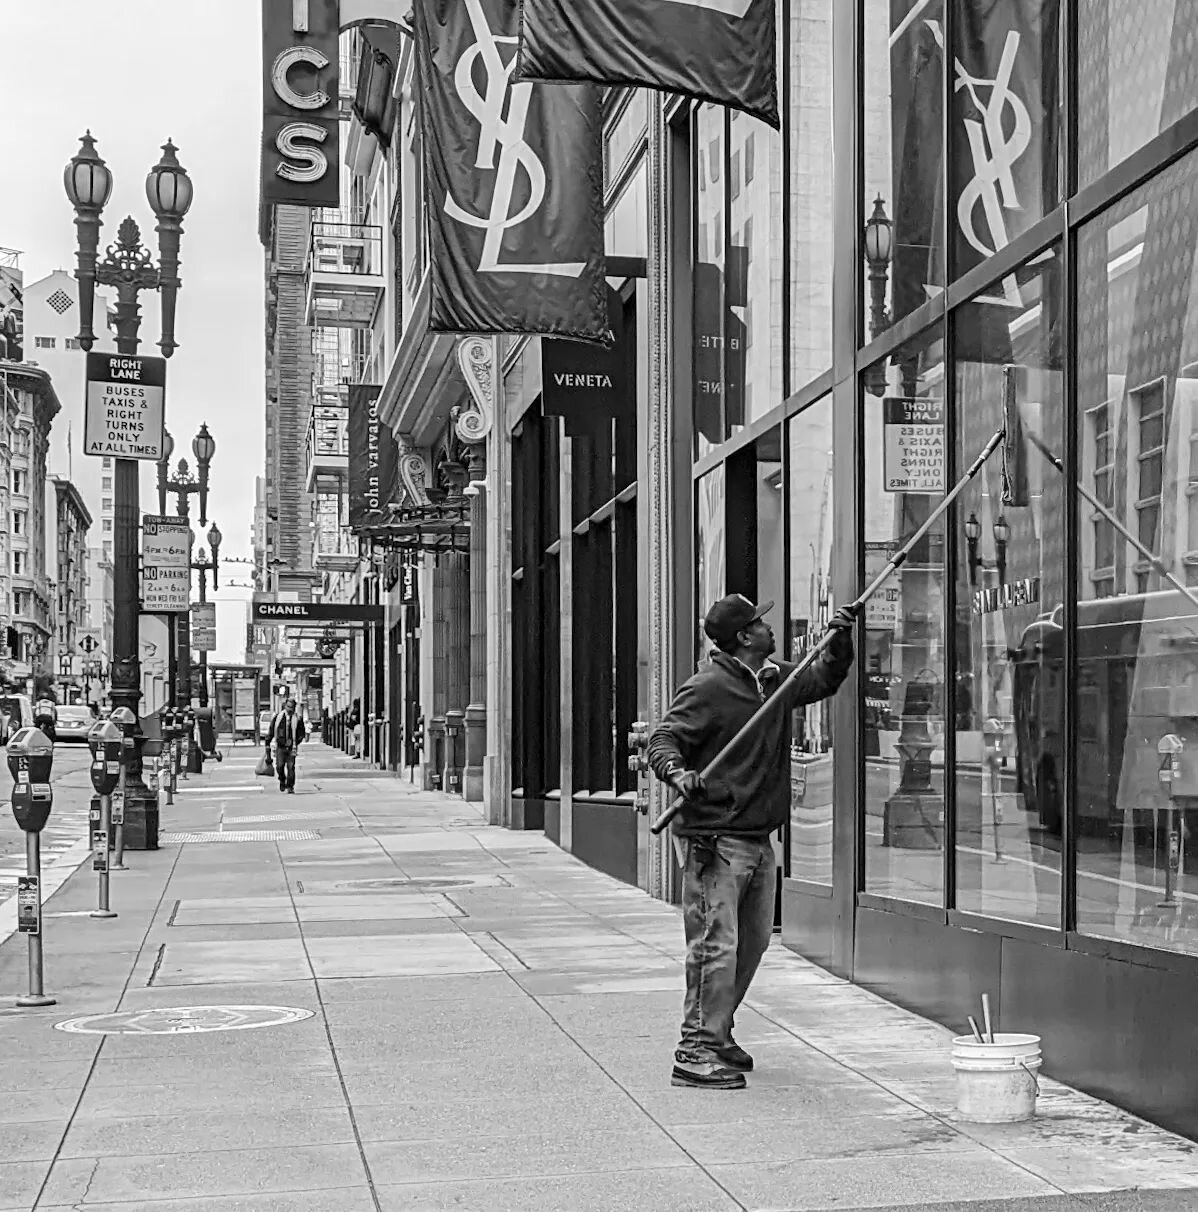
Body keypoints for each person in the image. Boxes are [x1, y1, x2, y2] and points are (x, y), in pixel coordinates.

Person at [648, 593, 856, 1090]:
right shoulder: (708, 687)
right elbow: (663, 739)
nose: (769, 627)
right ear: (744, 636)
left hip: (758, 836)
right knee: (716, 945)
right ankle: (695, 1049)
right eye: (760, 622)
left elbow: (825, 678)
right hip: (714, 839)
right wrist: (678, 774)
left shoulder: (776, 679)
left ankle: (716, 1033)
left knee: (752, 943)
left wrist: (840, 639)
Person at [266, 697, 306, 793]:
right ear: (285, 706)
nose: (289, 709)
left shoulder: (298, 719)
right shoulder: (278, 718)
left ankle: (290, 786)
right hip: (280, 747)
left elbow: (301, 733)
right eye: (288, 706)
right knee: (279, 766)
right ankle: (282, 780)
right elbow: (272, 730)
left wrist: (296, 741)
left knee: (291, 767)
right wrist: (267, 742)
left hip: (291, 747)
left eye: (291, 707)